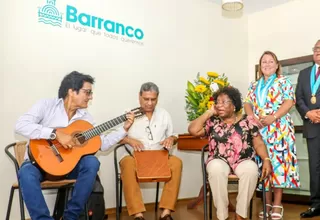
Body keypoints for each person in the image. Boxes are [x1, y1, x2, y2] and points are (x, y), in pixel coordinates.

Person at [15, 71, 135, 220]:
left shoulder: (86, 119)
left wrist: (124, 128)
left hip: (69, 168)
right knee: (26, 173)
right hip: (39, 164)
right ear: (71, 91)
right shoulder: (46, 105)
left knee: (92, 162)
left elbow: (102, 144)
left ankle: (70, 217)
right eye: (87, 92)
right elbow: (20, 125)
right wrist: (55, 134)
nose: (90, 97)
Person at [188, 86, 272, 220]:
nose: (219, 105)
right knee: (215, 169)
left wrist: (266, 159)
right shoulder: (213, 122)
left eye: (224, 102)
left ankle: (240, 215)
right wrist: (209, 112)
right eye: (217, 102)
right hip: (218, 159)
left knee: (251, 170)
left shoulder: (248, 121)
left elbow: (259, 143)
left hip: (243, 160)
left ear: (234, 105)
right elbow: (193, 130)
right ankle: (222, 216)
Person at [244, 51, 300, 219]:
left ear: (277, 65)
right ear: (260, 67)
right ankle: (266, 203)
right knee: (263, 165)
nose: (267, 64)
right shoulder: (254, 85)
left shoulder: (284, 81)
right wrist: (251, 117)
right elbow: (247, 103)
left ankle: (277, 204)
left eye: (270, 62)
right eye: (263, 62)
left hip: (279, 128)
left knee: (279, 166)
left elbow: (289, 101)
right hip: (260, 131)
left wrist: (273, 117)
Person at [118, 82, 182, 220]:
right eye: (146, 99)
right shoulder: (129, 114)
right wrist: (129, 140)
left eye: (153, 99)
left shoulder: (164, 114)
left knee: (176, 163)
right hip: (134, 156)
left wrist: (171, 139)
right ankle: (138, 215)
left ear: (157, 98)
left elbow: (174, 135)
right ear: (139, 97)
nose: (149, 103)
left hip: (159, 156)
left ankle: (166, 213)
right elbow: (113, 137)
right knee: (127, 164)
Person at [296, 40, 320, 218]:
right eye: (316, 49)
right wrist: (308, 114)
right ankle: (316, 205)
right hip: (312, 126)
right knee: (315, 167)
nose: (318, 51)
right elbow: (299, 99)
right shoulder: (304, 74)